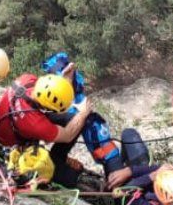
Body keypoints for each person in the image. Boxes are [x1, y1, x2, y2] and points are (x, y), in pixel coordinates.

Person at [0, 67, 107, 188]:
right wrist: (84, 113)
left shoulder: (27, 80)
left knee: (71, 120)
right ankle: (58, 167)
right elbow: (67, 135)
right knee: (67, 175)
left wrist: (63, 82)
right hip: (13, 147)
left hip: (11, 125)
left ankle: (58, 157)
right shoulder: (35, 125)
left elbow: (50, 93)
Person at [39, 51, 127, 183]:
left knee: (96, 134)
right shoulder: (51, 100)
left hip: (72, 133)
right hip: (38, 157)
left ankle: (115, 177)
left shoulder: (75, 100)